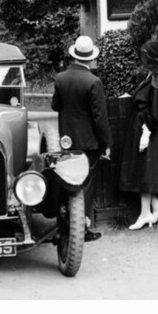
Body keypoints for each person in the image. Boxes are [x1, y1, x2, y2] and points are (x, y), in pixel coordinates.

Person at [51, 35, 113, 242]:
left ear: (74, 55)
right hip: (89, 143)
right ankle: (81, 229)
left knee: (65, 181)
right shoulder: (93, 82)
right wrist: (107, 144)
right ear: (90, 58)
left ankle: (62, 228)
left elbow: (55, 106)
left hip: (67, 140)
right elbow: (100, 117)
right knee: (85, 184)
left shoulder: (60, 78)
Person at [117, 40, 158, 231]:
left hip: (146, 129)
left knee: (145, 173)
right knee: (141, 171)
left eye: (144, 56)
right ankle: (157, 209)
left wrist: (146, 133)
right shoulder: (152, 76)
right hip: (140, 126)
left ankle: (145, 214)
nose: (142, 58)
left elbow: (156, 113)